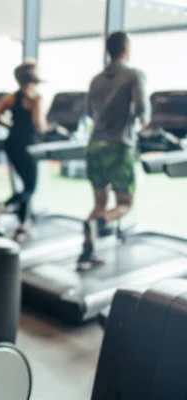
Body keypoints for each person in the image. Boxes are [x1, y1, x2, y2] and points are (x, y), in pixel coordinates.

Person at [78, 31, 149, 269]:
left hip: (95, 145)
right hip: (119, 147)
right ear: (126, 49)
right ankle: (100, 222)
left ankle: (87, 253)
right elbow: (142, 111)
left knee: (99, 202)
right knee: (125, 204)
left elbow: (89, 112)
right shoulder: (134, 75)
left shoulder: (95, 79)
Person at [0, 60, 46, 240]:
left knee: (23, 185)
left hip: (12, 141)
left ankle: (23, 225)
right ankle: (3, 205)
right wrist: (48, 129)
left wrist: (12, 125)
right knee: (30, 187)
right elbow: (39, 124)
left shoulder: (11, 97)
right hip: (28, 145)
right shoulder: (35, 97)